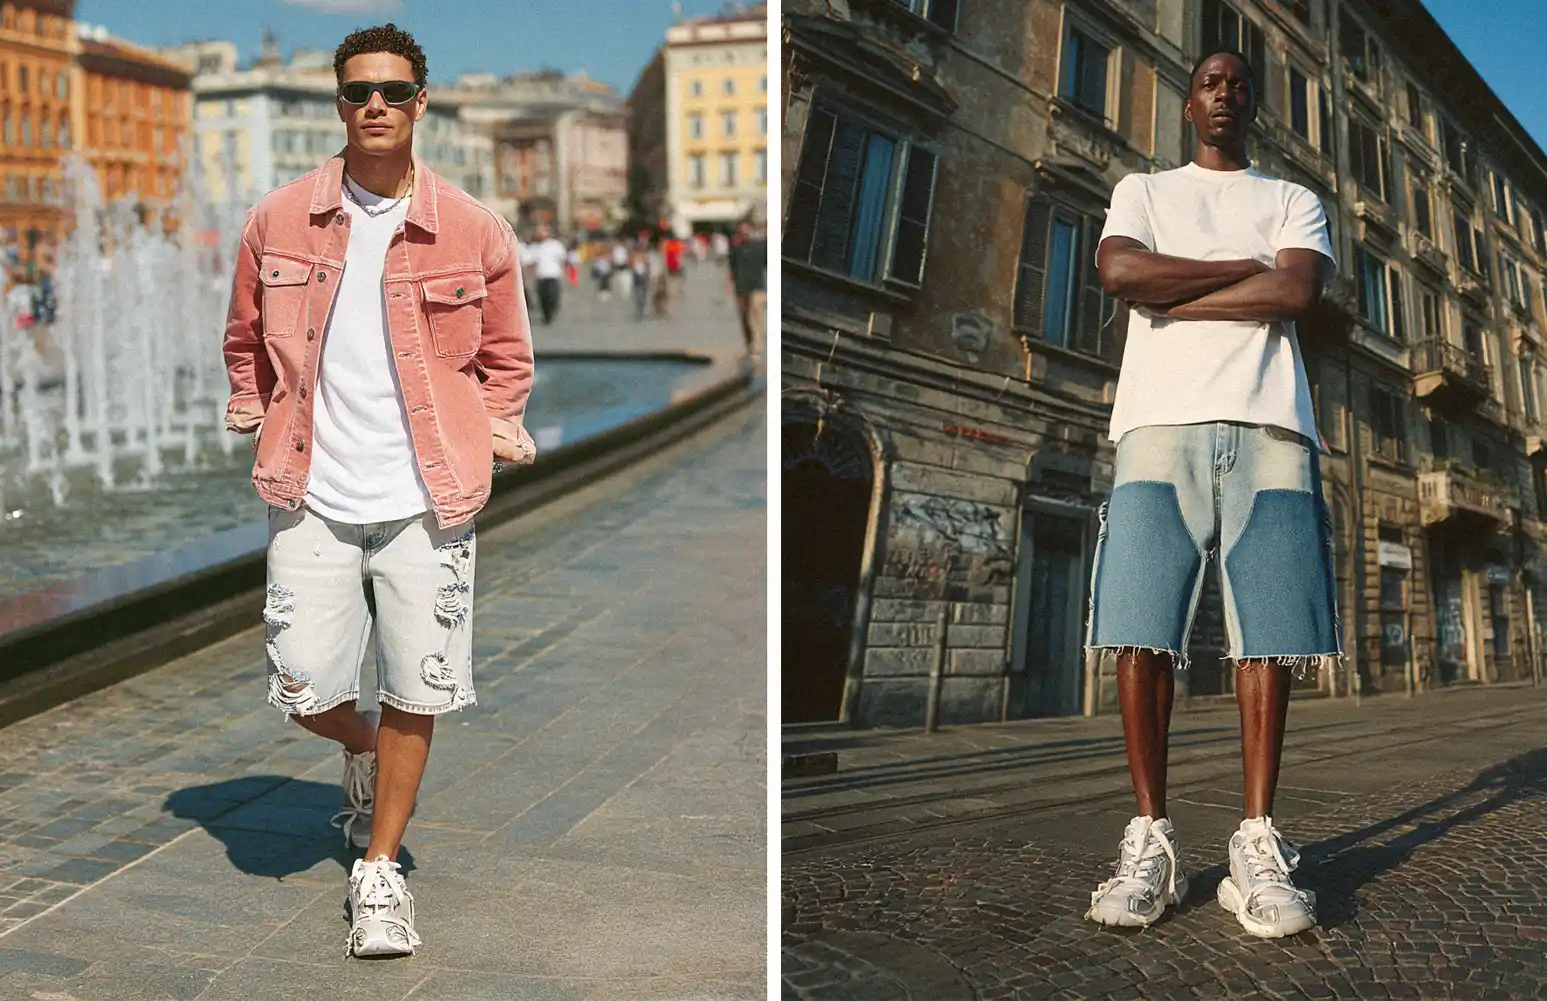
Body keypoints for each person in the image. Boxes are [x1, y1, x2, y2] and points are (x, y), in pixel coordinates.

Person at [221, 23, 537, 958]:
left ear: (419, 103)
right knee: (298, 683)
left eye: (394, 91)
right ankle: (362, 745)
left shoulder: (472, 227)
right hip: (310, 486)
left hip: (428, 495)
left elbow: (508, 357)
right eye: (359, 90)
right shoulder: (277, 219)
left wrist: (488, 429)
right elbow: (243, 338)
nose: (375, 105)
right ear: (339, 103)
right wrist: (255, 409)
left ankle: (380, 869)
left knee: (418, 684)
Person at [1082, 49, 1337, 939]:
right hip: (1156, 421)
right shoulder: (1142, 190)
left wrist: (1175, 291)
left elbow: (1295, 288)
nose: (1224, 92)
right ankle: (1149, 841)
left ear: (1252, 106)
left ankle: (1254, 844)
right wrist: (1241, 270)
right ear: (1188, 105)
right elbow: (1119, 275)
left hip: (1271, 424)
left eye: (1238, 84)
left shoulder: (1292, 198)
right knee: (1139, 623)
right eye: (1209, 83)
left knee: (1268, 632)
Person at [727, 219, 766, 360]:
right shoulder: (736, 249)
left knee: (754, 314)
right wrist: (729, 283)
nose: (744, 233)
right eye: (741, 231)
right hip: (741, 286)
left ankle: (757, 345)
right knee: (744, 317)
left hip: (757, 287)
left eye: (746, 230)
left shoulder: (761, 246)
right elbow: (732, 267)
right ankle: (750, 344)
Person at [522, 222, 567, 324]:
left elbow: (562, 258)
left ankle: (551, 311)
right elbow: (528, 261)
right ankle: (546, 315)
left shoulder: (555, 245)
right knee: (543, 296)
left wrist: (563, 272)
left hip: (553, 275)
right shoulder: (535, 247)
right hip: (541, 276)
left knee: (552, 296)